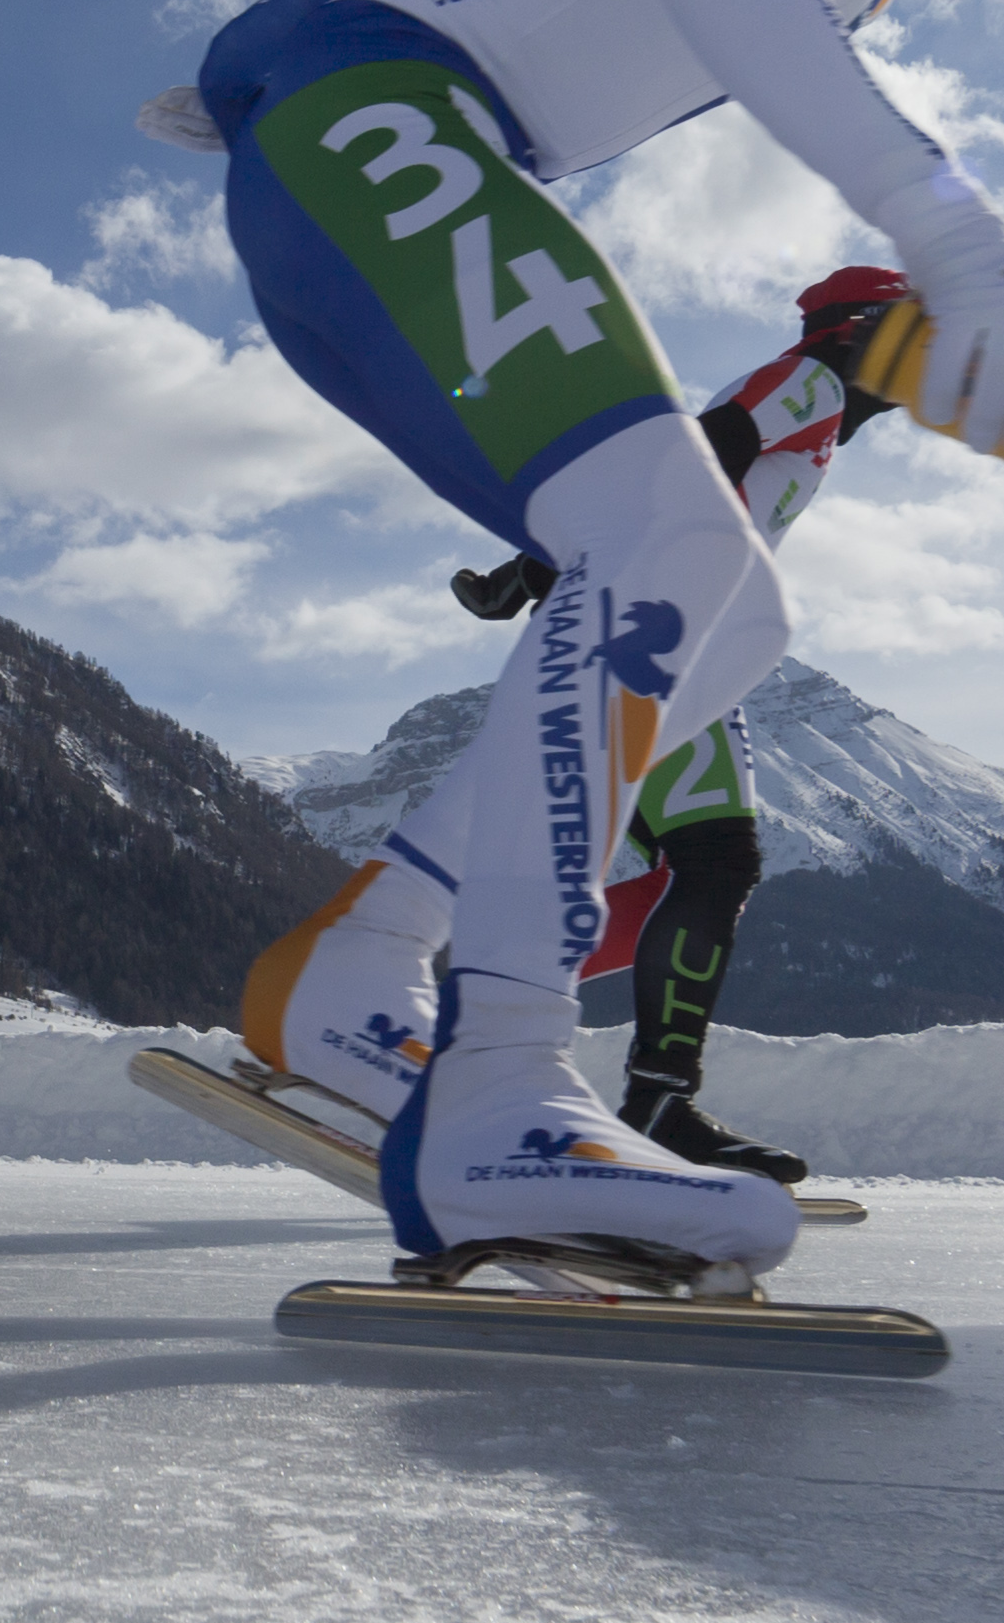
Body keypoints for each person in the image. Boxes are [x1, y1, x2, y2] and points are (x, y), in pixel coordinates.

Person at [180, 0, 1004, 1284]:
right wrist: (967, 247)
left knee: (727, 599)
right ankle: (496, 1088)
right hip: (379, 123)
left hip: (385, 139)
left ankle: (356, 977)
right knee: (654, 541)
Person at [266, 267, 916, 1188]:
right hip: (657, 636)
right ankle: (637, 1090)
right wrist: (539, 571)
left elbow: (650, 491)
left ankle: (475, 1011)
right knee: (718, 862)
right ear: (859, 332)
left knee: (674, 880)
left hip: (656, 630)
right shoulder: (805, 382)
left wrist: (528, 574)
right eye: (911, 339)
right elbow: (682, 472)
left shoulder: (805, 401)